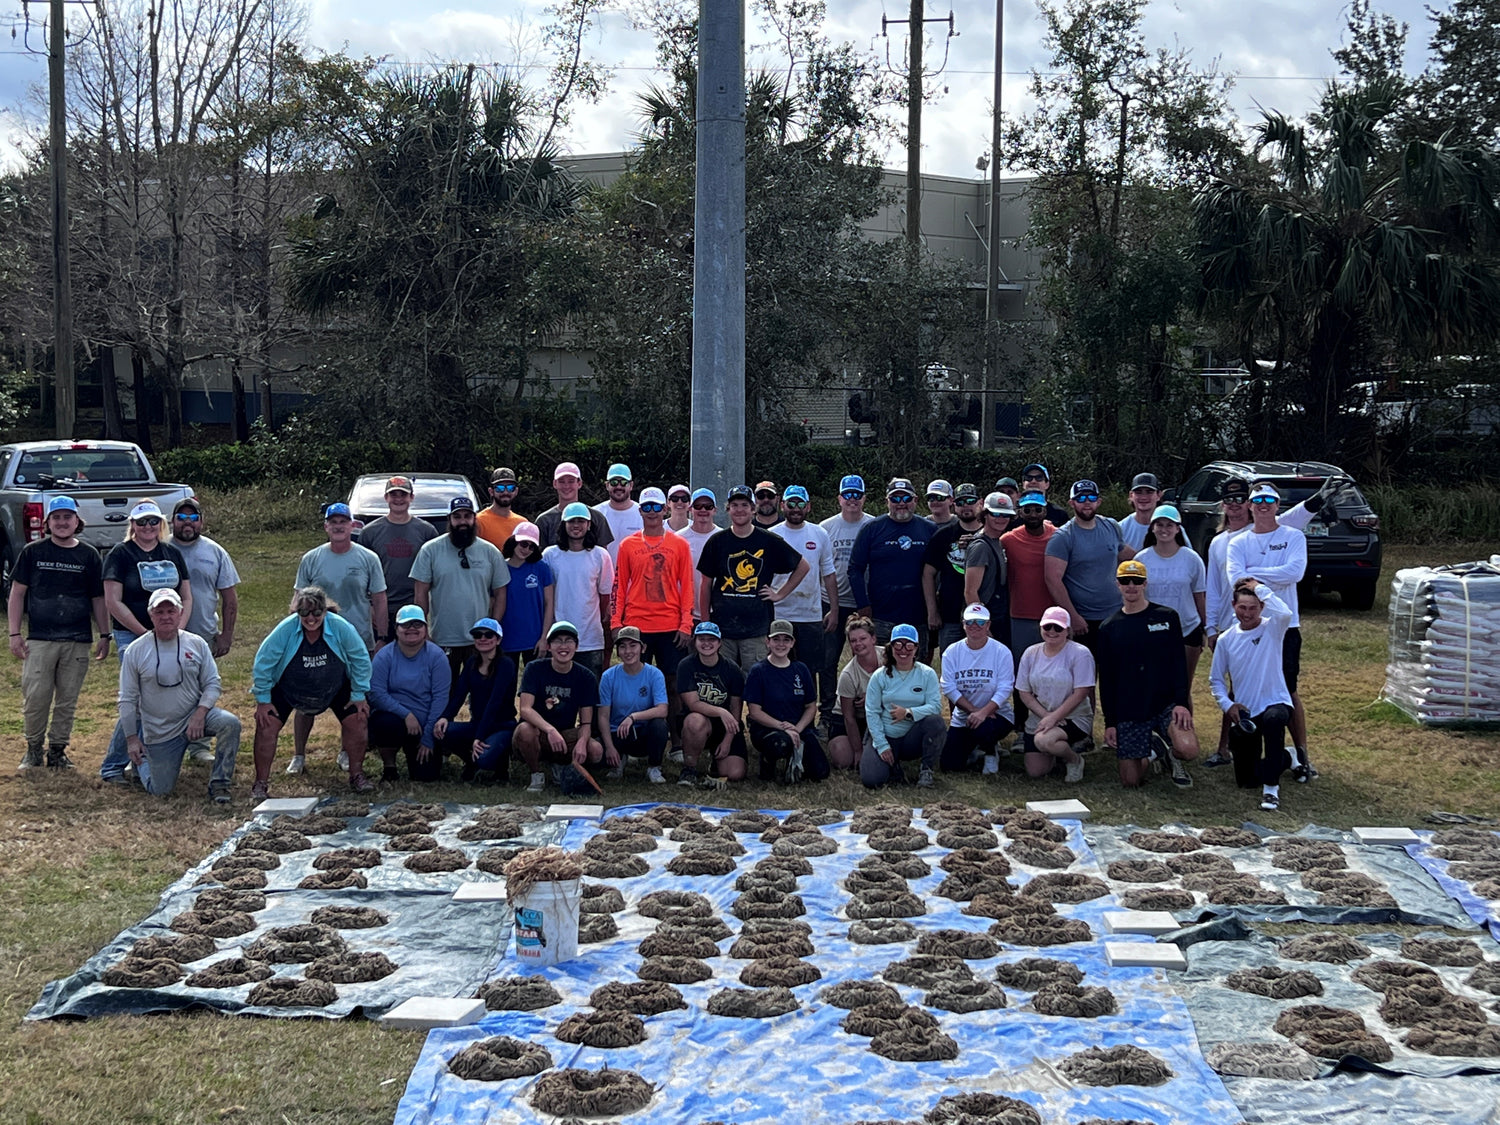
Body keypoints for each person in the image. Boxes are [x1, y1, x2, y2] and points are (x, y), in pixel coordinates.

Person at [8, 496, 109, 771]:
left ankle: (57, 750)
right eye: (56, 518)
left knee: (67, 700)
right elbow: (17, 593)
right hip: (40, 638)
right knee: (36, 698)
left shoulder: (89, 555)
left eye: (67, 517)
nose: (62, 523)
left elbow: (98, 598)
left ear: (77, 522)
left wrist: (105, 634)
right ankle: (33, 749)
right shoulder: (32, 552)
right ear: (47, 523)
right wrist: (14, 634)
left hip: (77, 639)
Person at [99, 500, 192, 785]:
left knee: (162, 697)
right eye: (141, 522)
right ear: (132, 525)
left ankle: (143, 760)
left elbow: (186, 596)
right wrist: (145, 634)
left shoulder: (172, 553)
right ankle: (114, 765)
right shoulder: (120, 554)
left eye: (153, 521)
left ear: (160, 524)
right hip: (132, 635)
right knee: (138, 700)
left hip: (170, 634)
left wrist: (177, 631)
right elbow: (112, 601)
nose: (148, 527)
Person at [250, 586, 374, 799]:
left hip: (335, 687)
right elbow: (263, 662)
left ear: (325, 611)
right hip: (288, 687)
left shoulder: (341, 627)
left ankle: (357, 775)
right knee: (266, 724)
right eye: (304, 613)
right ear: (296, 612)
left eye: (316, 612)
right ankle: (260, 783)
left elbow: (360, 658)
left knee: (358, 719)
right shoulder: (285, 629)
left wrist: (358, 694)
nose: (310, 618)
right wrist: (262, 699)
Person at [1226, 482, 1314, 783]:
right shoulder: (1238, 542)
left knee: (1287, 689)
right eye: (1257, 500)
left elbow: (1296, 572)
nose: (1263, 505)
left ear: (1278, 505)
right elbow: (1236, 580)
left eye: (1269, 500)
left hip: (1284, 626)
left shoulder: (1293, 536)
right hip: (1248, 625)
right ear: (1250, 506)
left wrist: (1254, 576)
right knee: (1243, 687)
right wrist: (1264, 579)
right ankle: (1246, 750)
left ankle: (1301, 755)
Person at [119, 588, 240, 801]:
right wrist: (131, 740)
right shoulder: (135, 651)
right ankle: (141, 764)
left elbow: (213, 683)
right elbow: (127, 699)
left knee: (230, 724)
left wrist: (200, 714)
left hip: (194, 719)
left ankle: (220, 783)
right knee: (161, 790)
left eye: (171, 611)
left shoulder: (197, 643)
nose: (166, 617)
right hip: (160, 731)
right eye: (159, 612)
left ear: (181, 613)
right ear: (150, 615)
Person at [1095, 560, 1199, 788]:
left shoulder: (1167, 617)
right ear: (1118, 584)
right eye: (1125, 581)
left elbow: (1179, 664)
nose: (1131, 586)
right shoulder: (1109, 627)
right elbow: (1108, 680)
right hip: (1130, 709)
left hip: (1165, 703)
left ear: (1145, 584)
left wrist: (1181, 703)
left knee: (1188, 749)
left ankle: (1172, 753)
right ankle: (1155, 751)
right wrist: (1110, 723)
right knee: (1130, 781)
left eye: (1137, 581)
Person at [696, 485, 809, 673]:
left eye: (744, 505)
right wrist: (706, 623)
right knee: (723, 680)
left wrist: (779, 594)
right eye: (734, 505)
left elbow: (803, 566)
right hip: (723, 629)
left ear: (753, 509)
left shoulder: (769, 540)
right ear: (728, 509)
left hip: (756, 629)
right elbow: (706, 585)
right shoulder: (717, 542)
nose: (739, 510)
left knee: (754, 679)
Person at [611, 486, 695, 732]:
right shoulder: (628, 545)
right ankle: (637, 734)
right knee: (636, 684)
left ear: (665, 509)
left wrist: (686, 624)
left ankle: (676, 739)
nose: (651, 512)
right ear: (640, 510)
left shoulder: (679, 544)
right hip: (637, 625)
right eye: (646, 507)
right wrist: (616, 623)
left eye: (656, 507)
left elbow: (687, 587)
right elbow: (619, 586)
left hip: (670, 625)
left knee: (674, 684)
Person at [1210, 578, 1295, 811]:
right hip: (1247, 713)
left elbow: (1285, 612)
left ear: (1262, 607)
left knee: (1274, 720)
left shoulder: (1272, 628)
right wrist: (1228, 705)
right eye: (1242, 607)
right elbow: (1216, 680)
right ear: (1233, 606)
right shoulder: (1226, 640)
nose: (1247, 614)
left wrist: (1258, 588)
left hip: (1276, 702)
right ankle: (1288, 758)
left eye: (1253, 608)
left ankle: (1271, 791)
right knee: (1247, 780)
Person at [412, 496, 509, 682]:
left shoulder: (490, 552)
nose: (463, 521)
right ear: (449, 519)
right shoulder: (430, 550)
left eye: (467, 516)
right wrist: (423, 630)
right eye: (457, 517)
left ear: (474, 519)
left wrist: (493, 629)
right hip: (443, 638)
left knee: (481, 690)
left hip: (480, 638)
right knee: (445, 691)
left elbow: (500, 593)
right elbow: (420, 593)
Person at [514, 620, 603, 793]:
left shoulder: (586, 676)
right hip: (539, 732)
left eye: (569, 641)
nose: (563, 646)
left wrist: (582, 742)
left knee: (596, 750)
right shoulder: (534, 668)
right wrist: (550, 730)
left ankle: (563, 767)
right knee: (525, 730)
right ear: (549, 646)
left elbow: (586, 722)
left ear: (576, 646)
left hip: (565, 734)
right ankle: (536, 774)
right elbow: (525, 709)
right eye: (557, 641)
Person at [1044, 479, 1133, 649]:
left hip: (1116, 614)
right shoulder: (1063, 537)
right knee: (1086, 666)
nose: (1086, 503)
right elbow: (1052, 580)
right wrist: (1073, 617)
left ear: (1098, 501)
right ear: (1071, 503)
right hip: (1084, 621)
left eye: (1091, 497)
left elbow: (1126, 555)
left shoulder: (1111, 526)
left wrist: (1159, 554)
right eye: (1080, 498)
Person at [1202, 477, 1254, 766]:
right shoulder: (1217, 542)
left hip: (1255, 622)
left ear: (1248, 503)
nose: (1235, 505)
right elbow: (1213, 587)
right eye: (1229, 500)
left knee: (1252, 686)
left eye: (1240, 500)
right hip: (1227, 624)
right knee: (1230, 687)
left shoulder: (1257, 536)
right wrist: (1211, 627)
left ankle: (1251, 744)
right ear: (1223, 505)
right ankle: (1225, 747)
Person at [769, 485, 839, 699]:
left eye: (800, 503)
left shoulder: (819, 534)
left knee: (808, 672)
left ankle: (811, 714)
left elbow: (829, 574)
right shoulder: (772, 535)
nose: (795, 508)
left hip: (810, 615)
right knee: (778, 668)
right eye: (791, 503)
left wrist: (834, 610)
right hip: (779, 614)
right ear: (782, 506)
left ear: (808, 506)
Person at [368, 605, 452, 782]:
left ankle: (419, 751)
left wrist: (428, 736)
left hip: (426, 722)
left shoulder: (437, 656)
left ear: (425, 628)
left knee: (426, 777)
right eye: (405, 625)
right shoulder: (384, 656)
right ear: (396, 628)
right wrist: (406, 714)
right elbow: (376, 693)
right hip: (395, 718)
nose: (412, 629)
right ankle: (390, 767)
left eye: (417, 624)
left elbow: (440, 698)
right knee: (384, 724)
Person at [849, 478, 935, 644]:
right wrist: (863, 604)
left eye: (906, 498)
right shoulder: (871, 529)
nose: (901, 503)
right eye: (895, 499)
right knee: (880, 660)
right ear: (887, 501)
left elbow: (939, 569)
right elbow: (855, 569)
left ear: (916, 500)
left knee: (916, 659)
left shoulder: (929, 529)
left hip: (918, 615)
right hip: (881, 616)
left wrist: (934, 608)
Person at [861, 622, 945, 789]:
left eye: (909, 645)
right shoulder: (879, 676)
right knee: (872, 780)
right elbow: (872, 712)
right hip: (886, 734)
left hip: (912, 737)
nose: (903, 650)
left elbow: (935, 706)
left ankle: (926, 770)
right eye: (898, 644)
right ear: (891, 647)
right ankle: (892, 765)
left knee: (935, 722)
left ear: (916, 648)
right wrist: (882, 745)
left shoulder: (927, 674)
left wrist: (908, 712)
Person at [1015, 606, 1093, 783]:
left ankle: (1074, 759)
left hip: (1073, 717)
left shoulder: (1080, 653)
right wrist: (1047, 716)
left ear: (1067, 630)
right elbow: (1024, 692)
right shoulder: (1030, 653)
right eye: (1047, 626)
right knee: (1035, 771)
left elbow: (1081, 692)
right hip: (1041, 718)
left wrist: (1055, 717)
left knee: (1044, 741)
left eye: (1058, 628)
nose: (1052, 631)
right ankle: (1058, 753)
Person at [294, 502, 386, 652]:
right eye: (333, 522)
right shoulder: (310, 559)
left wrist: (382, 637)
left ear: (352, 526)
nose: (338, 526)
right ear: (326, 527)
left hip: (359, 639)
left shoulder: (369, 558)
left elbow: (379, 599)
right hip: (320, 639)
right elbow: (298, 599)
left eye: (343, 522)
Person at [819, 474, 875, 720]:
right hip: (833, 602)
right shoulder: (825, 527)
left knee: (865, 656)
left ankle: (865, 708)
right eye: (848, 495)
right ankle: (828, 711)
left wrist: (868, 604)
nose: (853, 500)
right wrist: (829, 607)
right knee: (828, 660)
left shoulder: (873, 525)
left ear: (864, 498)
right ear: (839, 498)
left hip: (864, 603)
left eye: (857, 495)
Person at [434, 617, 517, 782]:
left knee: (485, 759)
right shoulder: (472, 662)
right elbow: (459, 695)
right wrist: (445, 717)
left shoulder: (506, 664)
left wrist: (478, 736)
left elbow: (494, 702)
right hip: (477, 723)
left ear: (498, 640)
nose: (483, 638)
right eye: (478, 635)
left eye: (489, 635)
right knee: (441, 731)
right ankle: (471, 761)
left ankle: (499, 765)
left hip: (502, 726)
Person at [744, 619, 827, 783]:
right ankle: (768, 765)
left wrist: (797, 729)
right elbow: (754, 712)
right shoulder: (758, 671)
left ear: (792, 643)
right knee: (780, 744)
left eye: (786, 639)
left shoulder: (801, 669)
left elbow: (811, 706)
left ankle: (794, 759)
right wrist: (783, 727)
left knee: (820, 772)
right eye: (776, 639)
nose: (781, 644)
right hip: (768, 729)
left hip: (798, 727)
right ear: (767, 641)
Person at [939, 603, 1016, 775]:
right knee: (949, 765)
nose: (975, 626)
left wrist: (985, 712)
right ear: (963, 624)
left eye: (980, 622)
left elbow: (1005, 688)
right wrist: (975, 711)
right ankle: (974, 748)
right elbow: (948, 687)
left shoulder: (1001, 651)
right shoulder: (951, 652)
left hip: (997, 715)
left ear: (988, 625)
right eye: (970, 622)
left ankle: (990, 752)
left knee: (984, 728)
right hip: (964, 717)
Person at [1133, 505, 1207, 681]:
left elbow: (1199, 596)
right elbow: (1135, 597)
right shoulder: (1141, 560)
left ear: (1178, 529)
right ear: (1152, 528)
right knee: (1153, 684)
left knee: (1183, 685)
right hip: (1151, 630)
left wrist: (1205, 628)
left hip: (1187, 629)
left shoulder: (1192, 559)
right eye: (1159, 525)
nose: (1164, 529)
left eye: (1169, 525)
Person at [358, 476, 437, 640]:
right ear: (386, 497)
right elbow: (362, 574)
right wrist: (370, 606)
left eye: (403, 495)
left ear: (411, 497)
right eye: (393, 495)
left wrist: (425, 611)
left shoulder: (427, 532)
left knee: (413, 651)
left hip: (414, 607)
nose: (398, 499)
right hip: (382, 606)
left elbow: (434, 574)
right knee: (382, 650)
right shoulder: (370, 532)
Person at [542, 502, 615, 677]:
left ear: (589, 525)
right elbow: (545, 597)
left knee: (590, 687)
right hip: (558, 635)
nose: (576, 525)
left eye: (581, 521)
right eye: (571, 521)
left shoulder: (600, 555)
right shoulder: (550, 555)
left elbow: (605, 596)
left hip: (590, 637)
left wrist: (604, 625)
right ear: (563, 524)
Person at [676, 621, 748, 785]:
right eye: (702, 639)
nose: (706, 643)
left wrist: (728, 740)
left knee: (734, 773)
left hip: (726, 725)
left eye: (711, 639)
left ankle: (716, 761)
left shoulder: (732, 669)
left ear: (720, 643)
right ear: (695, 641)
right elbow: (693, 704)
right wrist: (721, 711)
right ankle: (689, 768)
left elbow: (736, 708)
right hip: (699, 721)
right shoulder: (686, 666)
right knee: (695, 720)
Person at [597, 626, 670, 783]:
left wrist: (633, 717)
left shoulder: (654, 674)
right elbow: (603, 716)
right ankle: (618, 760)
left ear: (643, 648)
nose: (628, 651)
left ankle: (654, 766)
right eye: (622, 646)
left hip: (644, 732)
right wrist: (609, 747)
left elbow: (662, 710)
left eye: (633, 645)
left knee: (659, 725)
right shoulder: (608, 676)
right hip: (618, 732)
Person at [169, 497, 239, 658]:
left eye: (194, 518)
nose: (188, 522)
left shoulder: (216, 552)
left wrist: (226, 636)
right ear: (172, 521)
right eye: (181, 517)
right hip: (165, 635)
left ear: (201, 522)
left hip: (204, 637)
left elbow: (230, 599)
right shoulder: (160, 548)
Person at [925, 482, 984, 654]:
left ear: (980, 502)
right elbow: (927, 574)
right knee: (951, 662)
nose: (965, 506)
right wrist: (932, 611)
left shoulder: (991, 534)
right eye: (960, 502)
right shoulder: (943, 535)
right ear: (953, 504)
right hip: (950, 613)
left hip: (984, 613)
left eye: (970, 501)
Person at [1000, 490, 1057, 664]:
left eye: (1038, 509)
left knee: (1053, 666)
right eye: (1027, 510)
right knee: (1023, 666)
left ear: (1045, 511)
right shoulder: (1008, 539)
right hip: (1020, 615)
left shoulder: (1058, 536)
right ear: (1019, 512)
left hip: (1053, 613)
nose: (1033, 514)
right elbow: (986, 542)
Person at [827, 616, 882, 771]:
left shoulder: (888, 658)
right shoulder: (848, 675)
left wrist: (873, 697)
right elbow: (848, 717)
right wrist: (858, 750)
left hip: (878, 716)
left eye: (863, 638)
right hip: (850, 718)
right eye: (853, 641)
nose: (858, 644)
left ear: (873, 639)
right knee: (843, 760)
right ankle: (847, 745)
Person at [498, 521, 554, 668]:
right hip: (507, 637)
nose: (526, 549)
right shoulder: (500, 568)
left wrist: (544, 637)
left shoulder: (541, 568)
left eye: (532, 546)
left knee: (536, 680)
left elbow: (549, 604)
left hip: (534, 638)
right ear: (514, 541)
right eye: (523, 544)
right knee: (507, 680)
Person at [963, 492, 1014, 649]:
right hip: (986, 621)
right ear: (985, 514)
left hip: (999, 617)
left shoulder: (997, 541)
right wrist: (983, 628)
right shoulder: (980, 546)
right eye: (995, 514)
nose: (1001, 519)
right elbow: (970, 592)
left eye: (1005, 515)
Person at [534, 461, 614, 550]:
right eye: (561, 481)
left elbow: (602, 553)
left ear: (579, 483)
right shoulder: (544, 521)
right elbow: (537, 554)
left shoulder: (596, 517)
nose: (566, 486)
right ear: (555, 484)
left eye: (571, 481)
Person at [595, 463, 643, 565]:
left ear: (631, 485)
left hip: (635, 574)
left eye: (624, 482)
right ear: (607, 485)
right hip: (603, 574)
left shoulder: (643, 514)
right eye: (614, 482)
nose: (619, 486)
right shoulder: (596, 514)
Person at [475, 467, 526, 551]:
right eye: (500, 488)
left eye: (510, 488)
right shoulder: (479, 521)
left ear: (516, 491)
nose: (505, 492)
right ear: (491, 491)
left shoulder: (523, 523)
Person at [1117, 472, 1163, 551]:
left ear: (1158, 495)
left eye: (1149, 492)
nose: (1144, 497)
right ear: (1131, 495)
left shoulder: (1171, 528)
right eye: (1138, 492)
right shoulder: (1120, 529)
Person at [676, 488, 720, 571]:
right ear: (690, 509)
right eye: (698, 506)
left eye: (708, 506)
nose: (703, 510)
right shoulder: (679, 538)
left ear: (715, 510)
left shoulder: (723, 537)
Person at [1018, 463, 1072, 527]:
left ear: (1047, 484)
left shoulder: (1059, 514)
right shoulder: (1015, 513)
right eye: (1029, 478)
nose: (1033, 481)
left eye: (1039, 478)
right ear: (1023, 484)